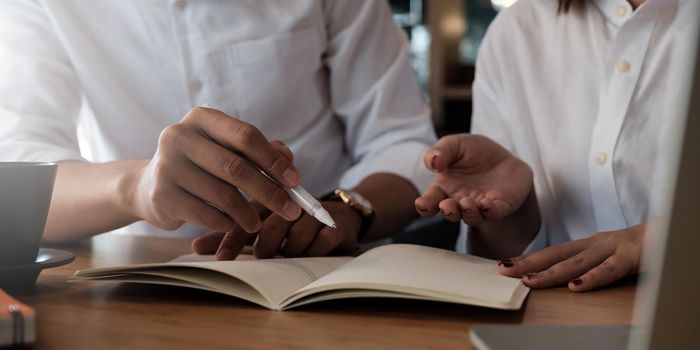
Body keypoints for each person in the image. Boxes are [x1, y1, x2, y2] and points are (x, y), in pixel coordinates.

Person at [0, 1, 436, 260]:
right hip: (140, 288)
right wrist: (136, 187)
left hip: (322, 270)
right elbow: (14, 182)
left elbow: (401, 141)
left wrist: (350, 209)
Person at [416, 0, 693, 292]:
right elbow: (498, 263)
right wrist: (506, 212)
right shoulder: (517, 30)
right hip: (556, 316)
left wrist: (661, 240)